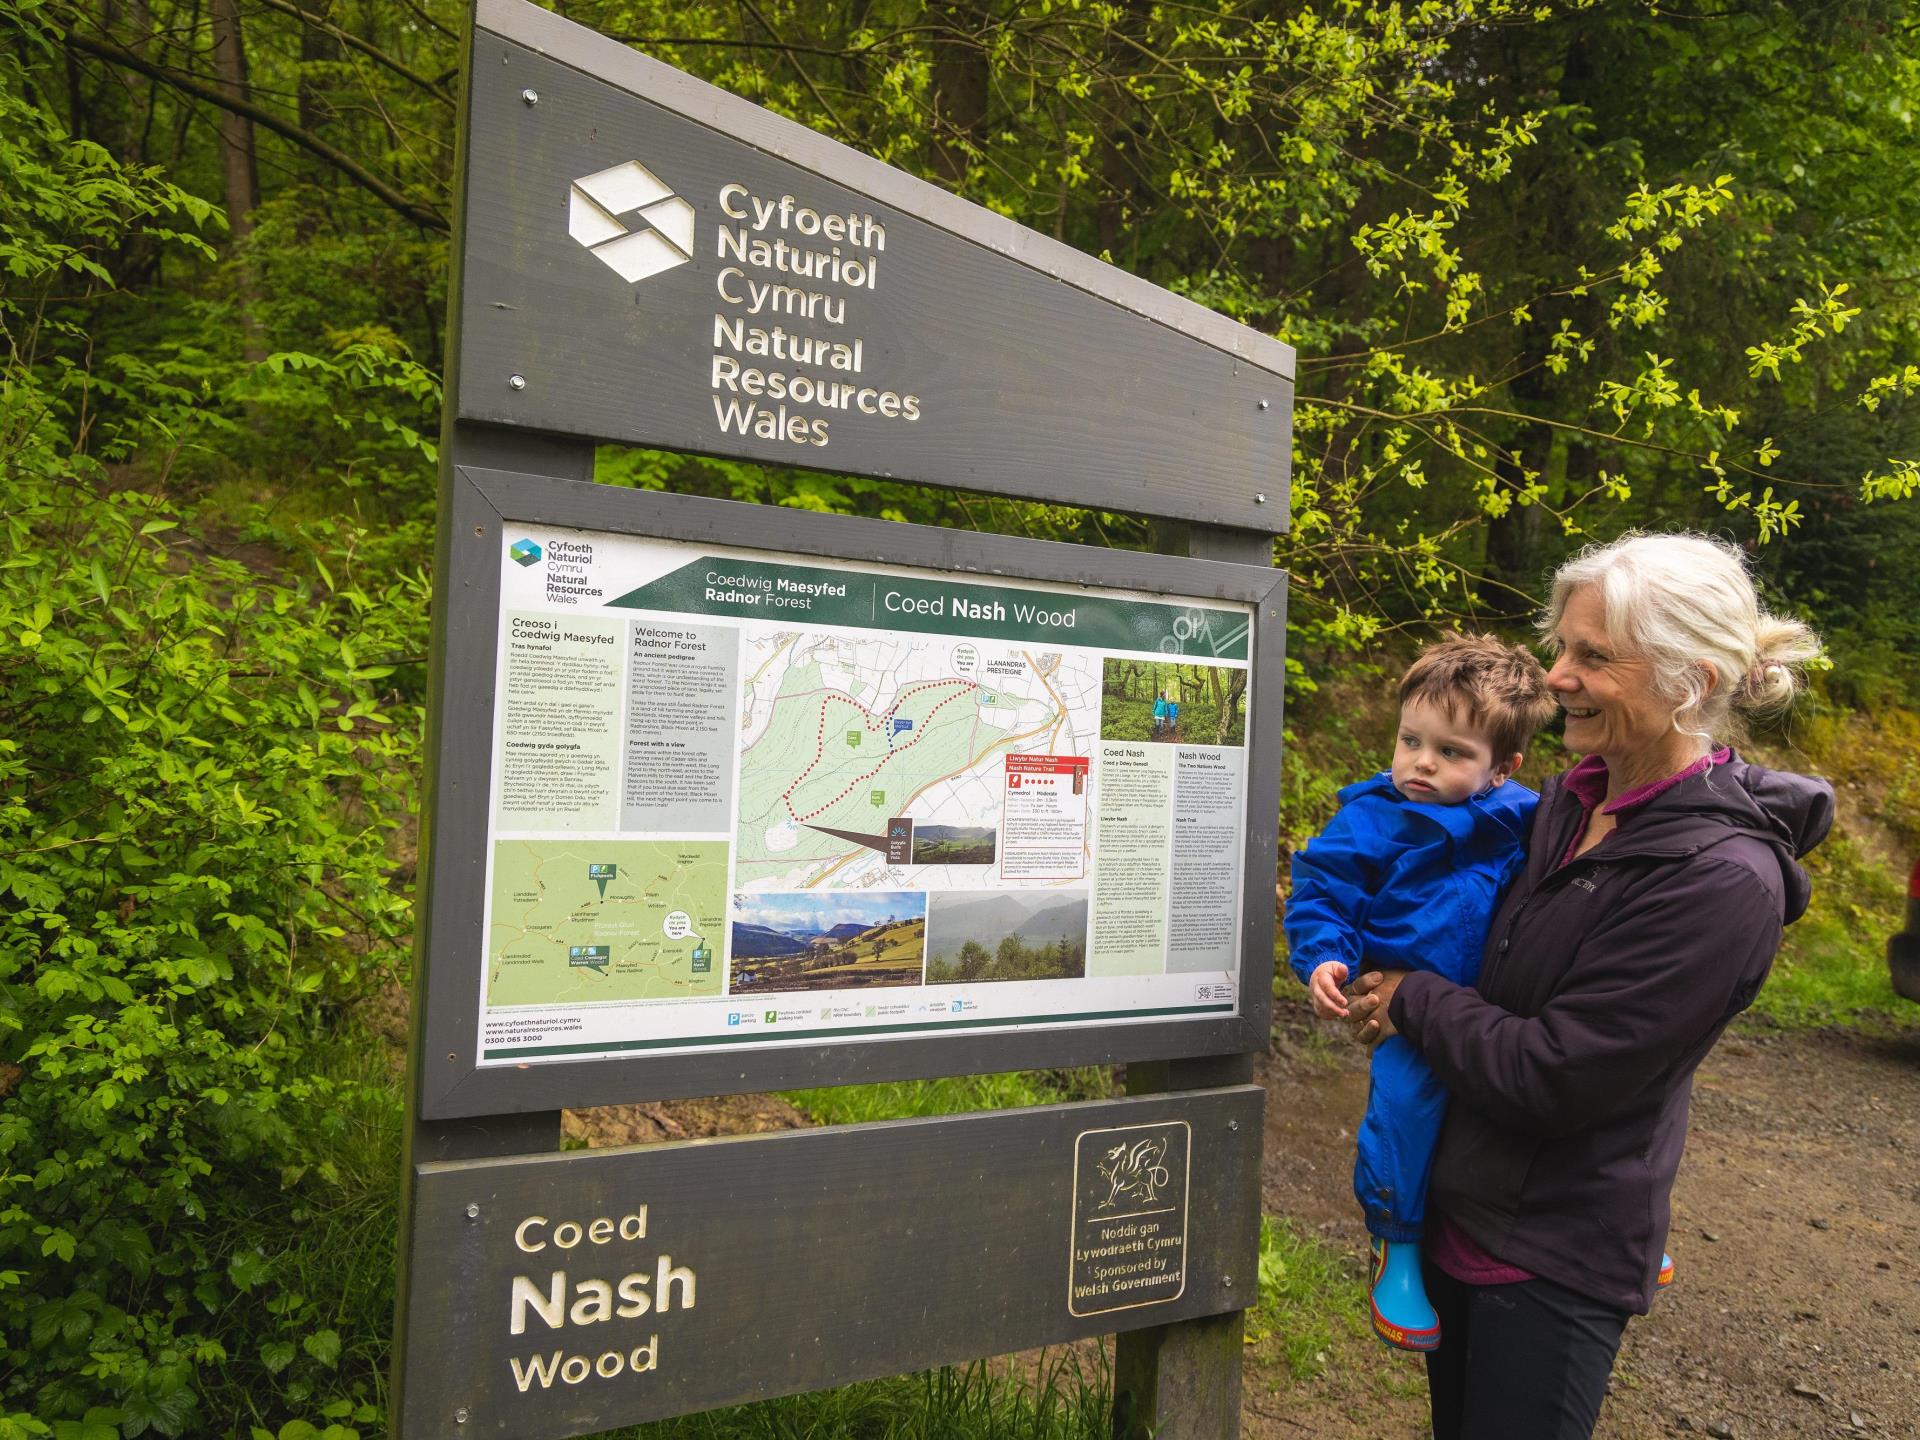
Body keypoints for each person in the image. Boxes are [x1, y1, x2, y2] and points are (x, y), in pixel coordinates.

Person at [1345, 532, 1832, 1440]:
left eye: (1593, 657)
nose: (1555, 674)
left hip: (1554, 1255)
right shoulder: (1571, 799)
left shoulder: (1720, 881)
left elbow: (1559, 1073)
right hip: (1467, 1203)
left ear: (1692, 680)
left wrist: (1411, 998)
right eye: (1561, 645)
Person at [1286, 634, 1556, 1351]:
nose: (1422, 763)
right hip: (1407, 1013)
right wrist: (1322, 960)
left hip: (1502, 999)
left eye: (1452, 751)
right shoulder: (1373, 819)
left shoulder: (1528, 816)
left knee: (1553, 1083)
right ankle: (1396, 1245)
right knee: (1405, 1112)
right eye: (1411, 740)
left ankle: (1601, 1223)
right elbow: (1323, 894)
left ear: (1504, 768)